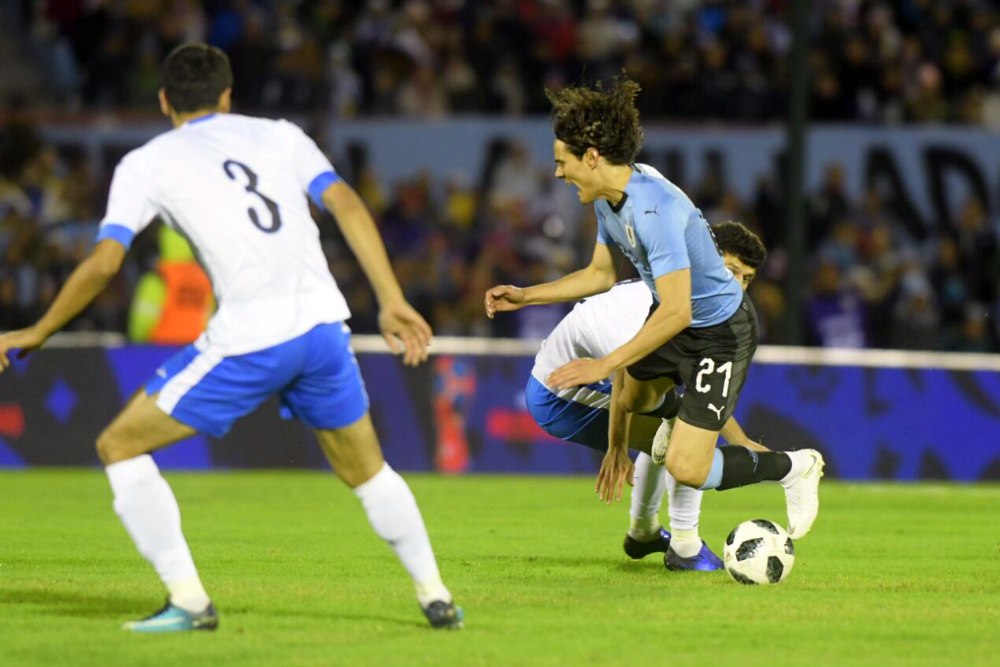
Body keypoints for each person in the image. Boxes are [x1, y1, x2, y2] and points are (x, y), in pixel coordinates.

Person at [0, 44, 462, 632]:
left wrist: (39, 330)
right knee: (369, 473)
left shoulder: (146, 162)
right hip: (323, 328)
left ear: (165, 100)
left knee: (119, 445)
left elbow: (104, 264)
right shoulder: (281, 135)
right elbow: (344, 202)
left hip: (253, 336)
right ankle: (435, 596)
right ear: (226, 95)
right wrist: (392, 299)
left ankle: (190, 604)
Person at [486, 77, 822, 541]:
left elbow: (680, 311)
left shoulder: (652, 212)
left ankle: (793, 467)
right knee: (630, 398)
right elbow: (600, 276)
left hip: (719, 332)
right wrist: (526, 294)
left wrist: (603, 363)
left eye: (562, 162)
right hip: (673, 314)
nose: (558, 173)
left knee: (686, 466)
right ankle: (675, 425)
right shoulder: (610, 199)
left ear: (592, 157)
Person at [526, 222, 773, 572]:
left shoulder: (689, 303)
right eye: (731, 271)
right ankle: (685, 549)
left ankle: (644, 533)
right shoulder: (645, 308)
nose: (738, 286)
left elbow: (698, 394)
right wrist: (617, 445)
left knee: (678, 432)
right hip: (560, 394)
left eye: (746, 279)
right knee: (685, 439)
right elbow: (624, 381)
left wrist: (742, 441)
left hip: (603, 385)